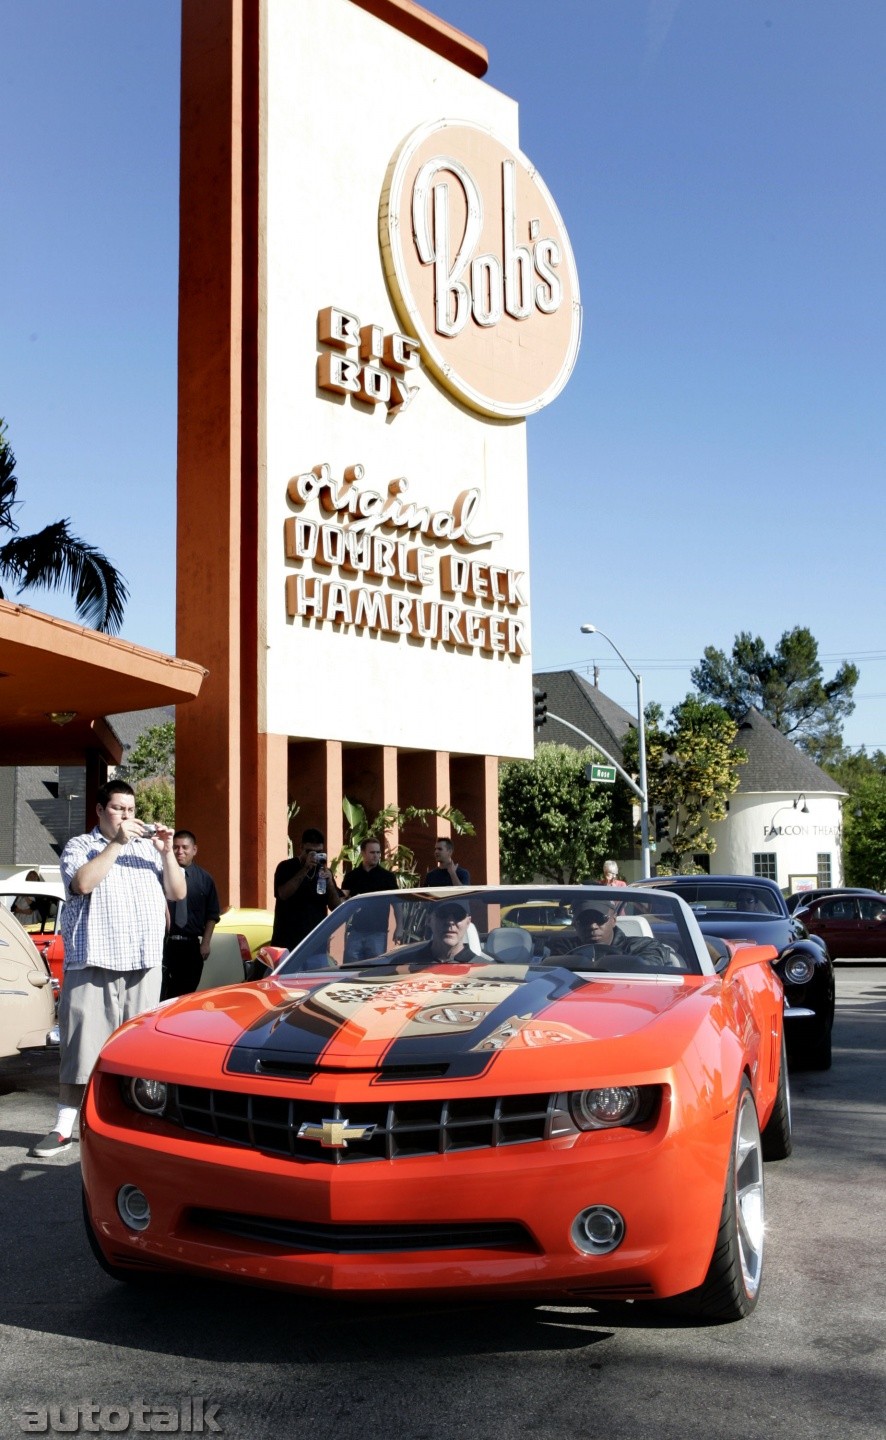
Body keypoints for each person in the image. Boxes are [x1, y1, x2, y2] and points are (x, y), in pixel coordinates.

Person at [29, 780, 185, 1158]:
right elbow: (81, 883)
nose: (127, 817)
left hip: (144, 962)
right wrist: (115, 844)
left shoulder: (149, 850)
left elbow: (178, 893)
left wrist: (166, 853)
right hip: (95, 959)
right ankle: (65, 1124)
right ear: (100, 811)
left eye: (131, 810)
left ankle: (136, 1122)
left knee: (141, 1049)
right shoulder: (81, 846)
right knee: (82, 1045)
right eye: (118, 809)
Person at [161, 829, 221, 999]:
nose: (180, 852)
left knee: (186, 998)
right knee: (163, 997)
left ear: (194, 850)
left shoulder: (205, 879)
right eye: (176, 847)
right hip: (165, 946)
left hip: (191, 948)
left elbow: (212, 915)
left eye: (184, 847)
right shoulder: (161, 874)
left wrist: (206, 943)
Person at [271, 826, 341, 952]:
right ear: (301, 848)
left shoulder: (323, 871)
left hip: (315, 944)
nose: (314, 856)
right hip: (288, 942)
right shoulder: (286, 867)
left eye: (318, 852)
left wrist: (329, 881)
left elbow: (335, 906)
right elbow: (283, 894)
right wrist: (305, 869)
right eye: (309, 852)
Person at [547, 900, 668, 968]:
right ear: (575, 924)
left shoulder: (643, 947)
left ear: (614, 920)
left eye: (599, 918)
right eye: (584, 920)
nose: (593, 926)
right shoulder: (562, 949)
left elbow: (650, 970)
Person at [340, 838, 399, 960]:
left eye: (378, 852)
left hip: (378, 931)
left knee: (374, 971)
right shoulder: (352, 876)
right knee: (349, 969)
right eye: (372, 852)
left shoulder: (387, 877)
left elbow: (396, 903)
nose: (376, 856)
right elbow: (342, 900)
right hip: (355, 931)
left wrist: (400, 926)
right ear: (363, 853)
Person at [400, 900, 482, 967]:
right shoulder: (402, 965)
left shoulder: (485, 969)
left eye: (458, 915)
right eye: (443, 914)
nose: (450, 922)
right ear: (428, 920)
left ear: (468, 922)